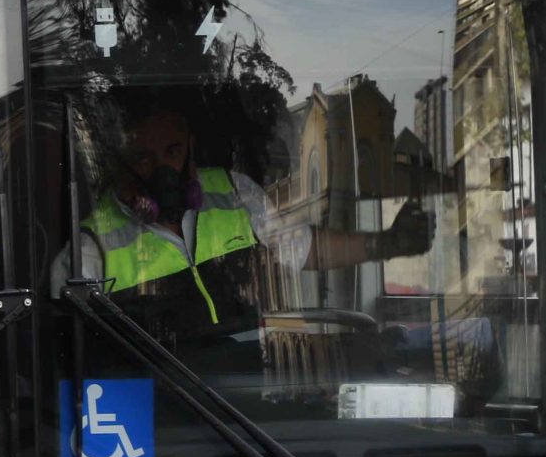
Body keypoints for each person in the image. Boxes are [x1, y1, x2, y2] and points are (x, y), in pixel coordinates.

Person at [62, 91, 430, 351]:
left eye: (173, 152)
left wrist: (386, 244)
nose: (163, 171)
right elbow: (74, 348)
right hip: (159, 404)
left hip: (243, 401)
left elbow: (303, 248)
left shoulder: (234, 193)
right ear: (118, 165)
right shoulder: (89, 250)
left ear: (191, 146)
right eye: (143, 159)